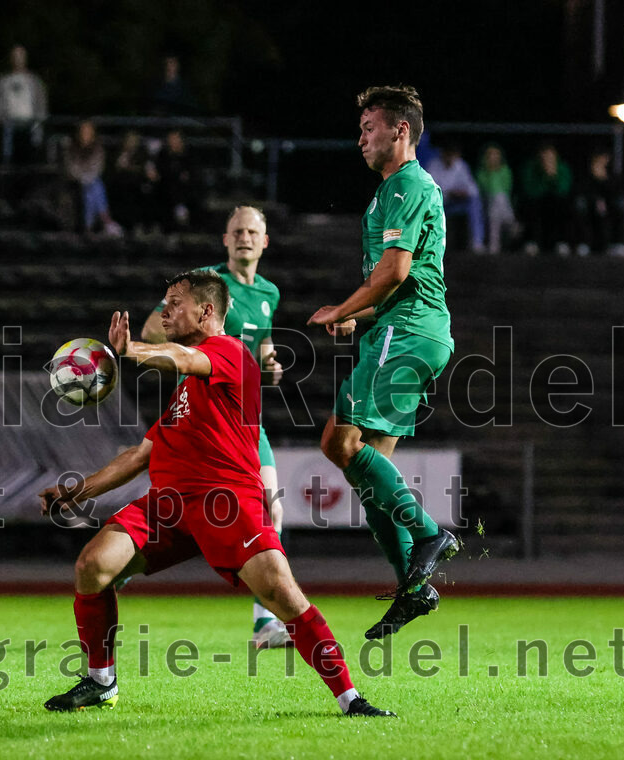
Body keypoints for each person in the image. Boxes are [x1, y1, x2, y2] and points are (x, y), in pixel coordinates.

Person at [40, 270, 393, 717]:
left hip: (226, 505)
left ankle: (350, 698)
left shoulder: (228, 352)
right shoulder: (186, 390)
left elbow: (181, 358)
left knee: (284, 596)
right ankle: (100, 682)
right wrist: (79, 490)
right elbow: (139, 455)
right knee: (92, 566)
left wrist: (133, 351)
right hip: (169, 507)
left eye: (173, 303)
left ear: (207, 311)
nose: (164, 312)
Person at [307, 85, 459, 640]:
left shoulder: (406, 185)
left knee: (336, 443)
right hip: (403, 327)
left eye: (369, 126)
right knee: (367, 469)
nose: (361, 137)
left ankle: (427, 534)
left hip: (409, 330)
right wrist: (359, 316)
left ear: (400, 130)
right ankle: (412, 590)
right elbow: (399, 278)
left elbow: (395, 272)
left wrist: (342, 309)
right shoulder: (392, 192)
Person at [140, 206, 289, 649]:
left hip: (245, 416)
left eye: (252, 232)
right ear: (225, 240)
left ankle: (264, 622)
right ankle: (119, 563)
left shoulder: (269, 293)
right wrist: (186, 356)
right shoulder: (205, 283)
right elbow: (153, 328)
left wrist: (270, 363)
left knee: (273, 508)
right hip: (205, 412)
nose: (244, 237)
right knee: (173, 497)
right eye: (237, 231)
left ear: (265, 242)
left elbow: (263, 346)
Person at [0, 45, 48, 165]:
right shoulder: (3, 81)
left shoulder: (34, 81)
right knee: (8, 157)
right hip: (8, 125)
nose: (18, 59)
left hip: (30, 124)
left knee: (31, 157)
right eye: (15, 56)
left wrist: (39, 120)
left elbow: (41, 103)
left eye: (21, 56)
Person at [64, 120, 122, 236]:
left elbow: (97, 168)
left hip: (91, 180)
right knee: (96, 186)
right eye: (84, 131)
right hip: (76, 180)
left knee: (91, 191)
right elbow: (71, 167)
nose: (86, 133)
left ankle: (88, 226)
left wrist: (87, 177)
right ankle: (106, 220)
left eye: (89, 131)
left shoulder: (98, 148)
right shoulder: (71, 148)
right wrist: (82, 177)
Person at [426, 142, 484, 252]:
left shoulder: (461, 165)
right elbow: (429, 191)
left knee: (474, 203)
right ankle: (432, 246)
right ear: (443, 154)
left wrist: (463, 192)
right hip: (440, 204)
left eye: (453, 155)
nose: (450, 158)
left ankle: (477, 242)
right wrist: (449, 192)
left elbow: (473, 190)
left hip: (455, 204)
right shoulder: (433, 165)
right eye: (448, 154)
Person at [519, 143, 573, 256]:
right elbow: (530, 191)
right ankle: (532, 242)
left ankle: (561, 242)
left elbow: (563, 190)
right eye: (544, 157)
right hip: (537, 202)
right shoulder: (531, 167)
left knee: (561, 205)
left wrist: (553, 177)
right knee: (531, 206)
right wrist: (544, 175)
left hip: (556, 203)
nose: (547, 160)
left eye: (550, 157)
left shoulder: (562, 168)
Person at [574, 150, 624, 257]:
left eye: (604, 160)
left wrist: (603, 179)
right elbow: (582, 191)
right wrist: (595, 200)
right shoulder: (586, 176)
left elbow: (616, 192)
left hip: (608, 205)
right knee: (582, 208)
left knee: (619, 208)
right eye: (598, 160)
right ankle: (585, 243)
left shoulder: (612, 175)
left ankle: (617, 244)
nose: (602, 163)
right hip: (590, 204)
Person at [475, 143, 518, 254]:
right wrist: (491, 174)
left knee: (499, 200)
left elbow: (507, 189)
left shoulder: (505, 171)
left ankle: (494, 246)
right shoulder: (481, 173)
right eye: (490, 155)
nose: (493, 158)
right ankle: (511, 222)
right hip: (486, 203)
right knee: (496, 202)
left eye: (496, 155)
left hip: (503, 204)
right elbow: (484, 189)